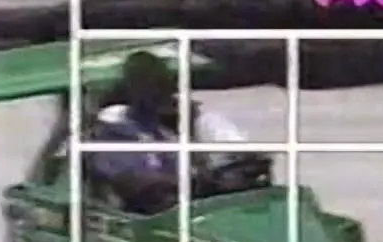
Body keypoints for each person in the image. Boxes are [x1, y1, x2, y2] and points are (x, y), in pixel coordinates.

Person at [86, 51, 259, 213]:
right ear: (131, 91)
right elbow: (132, 182)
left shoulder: (175, 130)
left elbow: (236, 161)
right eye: (150, 86)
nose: (162, 94)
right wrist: (196, 183)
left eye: (163, 85)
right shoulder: (114, 134)